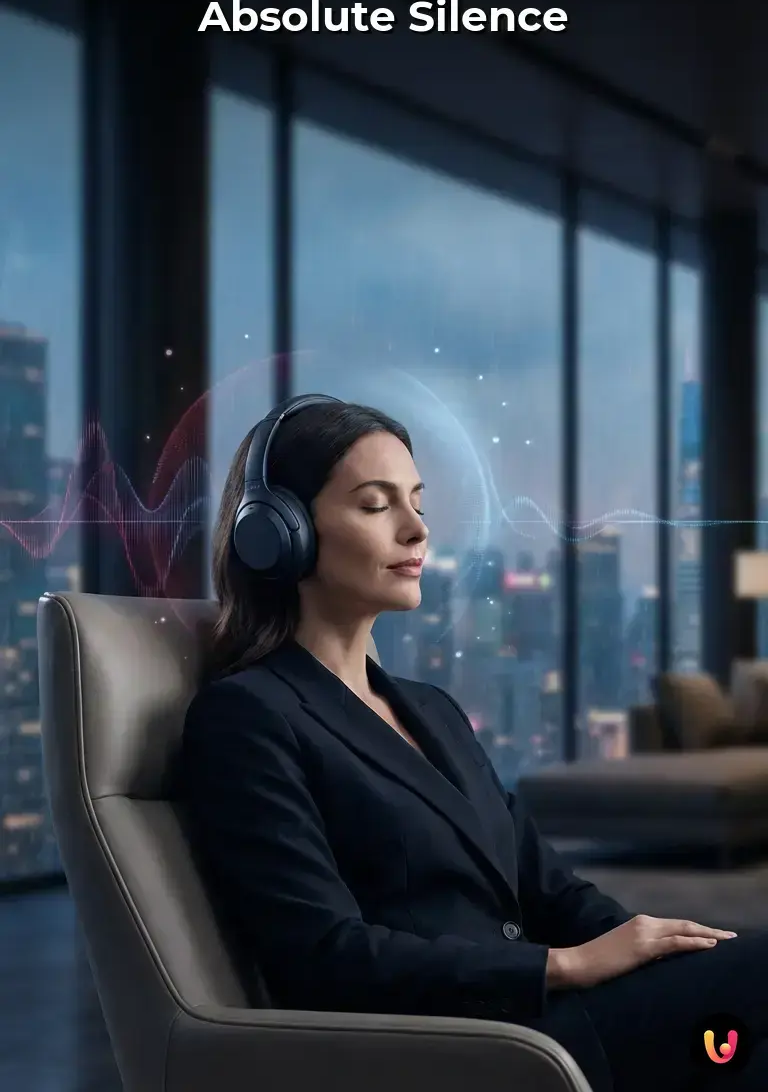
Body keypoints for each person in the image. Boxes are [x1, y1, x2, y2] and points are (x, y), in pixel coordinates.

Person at [182, 395, 768, 1091]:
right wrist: (566, 966)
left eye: (417, 502)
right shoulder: (247, 716)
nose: (416, 530)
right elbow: (325, 955)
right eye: (375, 506)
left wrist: (658, 949)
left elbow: (548, 887)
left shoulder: (433, 710)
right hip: (466, 1040)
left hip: (551, 1013)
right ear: (279, 534)